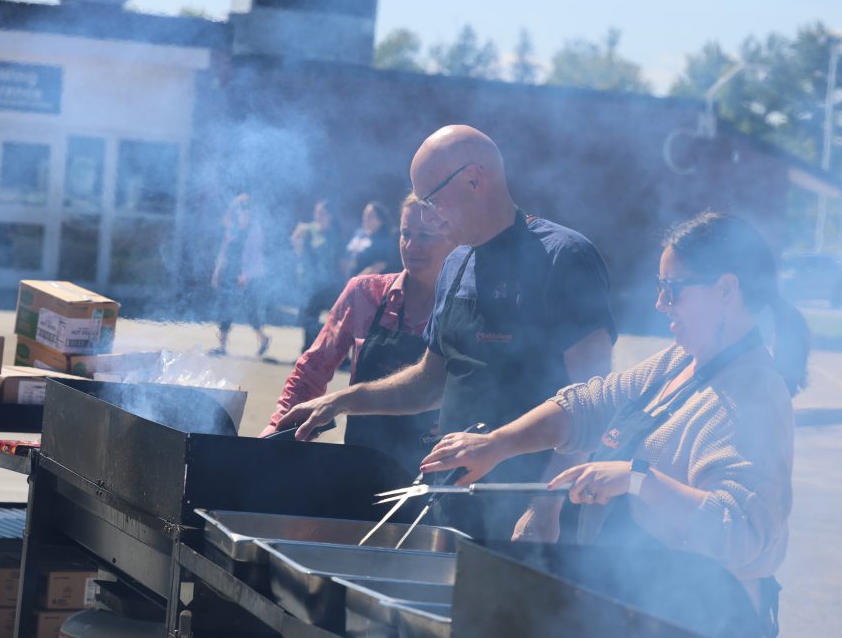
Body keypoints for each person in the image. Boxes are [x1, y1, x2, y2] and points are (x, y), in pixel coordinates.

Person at [420, 211, 809, 636]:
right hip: (635, 611)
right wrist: (497, 445)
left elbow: (744, 532)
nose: (660, 303)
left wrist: (638, 479)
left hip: (698, 620)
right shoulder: (678, 363)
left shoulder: (754, 394)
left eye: (672, 290)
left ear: (726, 289)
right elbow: (587, 404)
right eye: (660, 288)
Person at [277, 125, 616, 540]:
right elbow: (428, 382)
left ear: (475, 178)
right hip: (453, 506)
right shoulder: (456, 264)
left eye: (431, 200)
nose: (428, 215)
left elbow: (595, 398)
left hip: (530, 512)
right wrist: (342, 401)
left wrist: (545, 505)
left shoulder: (564, 257)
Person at [259, 195, 456, 475]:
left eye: (425, 236)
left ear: (455, 239)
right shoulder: (365, 293)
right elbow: (313, 368)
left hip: (434, 470)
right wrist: (277, 426)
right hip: (360, 461)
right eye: (405, 234)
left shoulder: (465, 304)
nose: (412, 246)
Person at [209, 193, 270, 357]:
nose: (243, 211)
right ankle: (221, 347)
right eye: (240, 208)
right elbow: (224, 250)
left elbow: (256, 256)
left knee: (250, 310)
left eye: (246, 208)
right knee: (225, 308)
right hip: (230, 272)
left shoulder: (255, 229)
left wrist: (246, 275)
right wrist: (217, 271)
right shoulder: (232, 227)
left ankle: (263, 339)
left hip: (248, 276)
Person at [292, 199, 346, 352]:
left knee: (338, 321)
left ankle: (340, 355)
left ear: (330, 216)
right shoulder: (308, 230)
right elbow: (297, 249)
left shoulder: (336, 235)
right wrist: (296, 236)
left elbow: (341, 261)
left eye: (322, 213)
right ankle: (307, 353)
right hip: (311, 284)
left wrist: (344, 283)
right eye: (317, 213)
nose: (318, 216)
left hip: (331, 284)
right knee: (309, 319)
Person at [347, 201, 402, 276]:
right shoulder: (359, 233)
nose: (365, 218)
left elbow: (379, 265)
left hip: (366, 283)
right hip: (350, 280)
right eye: (365, 214)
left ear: (380, 220)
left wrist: (356, 281)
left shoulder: (384, 238)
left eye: (370, 215)